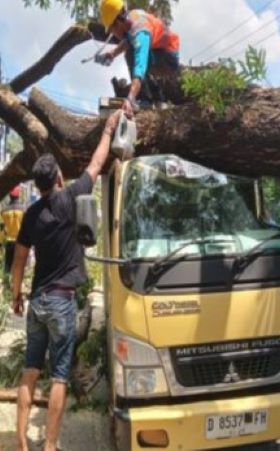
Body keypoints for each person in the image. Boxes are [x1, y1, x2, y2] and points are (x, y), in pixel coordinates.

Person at [12, 110, 121, 451]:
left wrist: (17, 294)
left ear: (37, 184)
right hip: (60, 301)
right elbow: (98, 160)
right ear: (58, 177)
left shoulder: (31, 215)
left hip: (37, 302)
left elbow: (18, 260)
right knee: (59, 375)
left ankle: (20, 442)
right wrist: (109, 128)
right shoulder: (71, 197)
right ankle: (50, 444)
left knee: (30, 371)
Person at [99, 0, 180, 116]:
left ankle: (144, 99)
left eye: (112, 29)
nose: (113, 33)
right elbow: (129, 39)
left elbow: (140, 66)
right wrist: (113, 53)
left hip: (168, 60)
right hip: (159, 52)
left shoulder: (141, 33)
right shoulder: (131, 17)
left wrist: (131, 97)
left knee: (132, 55)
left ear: (118, 22)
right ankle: (156, 98)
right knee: (131, 51)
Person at [1, 186, 25, 285]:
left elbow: (1, 229)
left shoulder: (4, 211)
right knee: (19, 266)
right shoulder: (23, 210)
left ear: (10, 195)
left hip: (9, 242)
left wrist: (0, 243)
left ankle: (6, 285)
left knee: (7, 264)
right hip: (20, 242)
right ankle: (17, 286)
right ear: (19, 195)